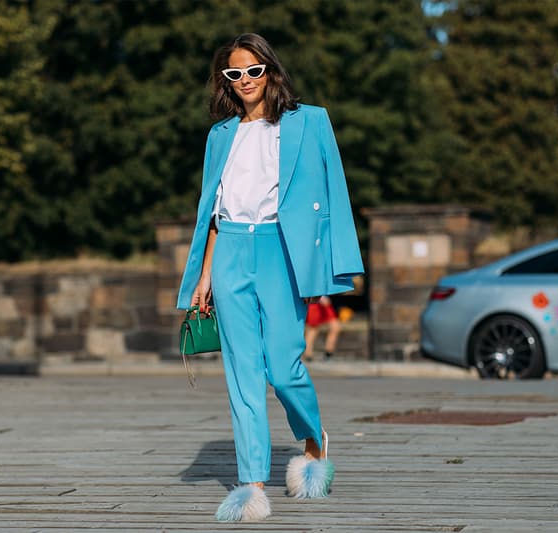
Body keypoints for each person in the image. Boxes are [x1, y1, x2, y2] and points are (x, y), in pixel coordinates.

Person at [176, 33, 364, 522]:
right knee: (242, 373)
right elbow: (213, 212)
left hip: (282, 250)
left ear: (271, 71)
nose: (244, 82)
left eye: (253, 71)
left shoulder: (311, 122)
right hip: (232, 251)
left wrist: (338, 261)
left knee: (284, 367)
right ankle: (250, 484)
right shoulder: (220, 135)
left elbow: (336, 193)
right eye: (234, 74)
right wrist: (204, 276)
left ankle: (313, 440)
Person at [304, 296, 341, 361]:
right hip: (315, 299)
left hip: (325, 299)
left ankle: (328, 353)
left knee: (335, 327)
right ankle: (308, 355)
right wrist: (321, 296)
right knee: (313, 329)